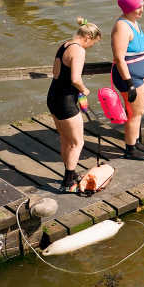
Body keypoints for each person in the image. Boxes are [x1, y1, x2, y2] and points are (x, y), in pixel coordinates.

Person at [46, 17, 102, 191]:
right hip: (66, 101)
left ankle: (70, 174)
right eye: (93, 42)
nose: (92, 46)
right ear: (87, 38)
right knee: (78, 143)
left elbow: (57, 72)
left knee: (66, 141)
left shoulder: (64, 45)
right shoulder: (78, 50)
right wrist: (84, 90)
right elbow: (75, 78)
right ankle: (68, 182)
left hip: (53, 97)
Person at [111, 0, 144, 161]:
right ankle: (130, 150)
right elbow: (119, 58)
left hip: (140, 75)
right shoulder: (122, 27)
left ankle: (135, 143)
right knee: (134, 114)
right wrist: (129, 83)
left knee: (139, 112)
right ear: (128, 9)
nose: (141, 10)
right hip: (129, 77)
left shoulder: (133, 21)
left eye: (142, 6)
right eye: (138, 7)